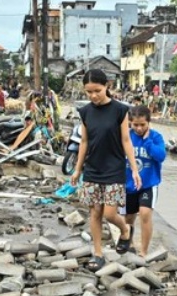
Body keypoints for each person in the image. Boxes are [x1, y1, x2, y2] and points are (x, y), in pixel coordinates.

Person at [71, 69, 141, 272]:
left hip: (114, 168)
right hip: (92, 169)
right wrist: (77, 169)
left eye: (97, 91)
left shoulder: (120, 110)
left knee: (110, 214)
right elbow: (84, 141)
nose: (93, 96)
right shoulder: (85, 112)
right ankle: (98, 253)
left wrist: (134, 170)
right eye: (88, 92)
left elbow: (126, 141)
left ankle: (125, 230)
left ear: (107, 86)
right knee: (95, 213)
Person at [120, 105, 166, 257]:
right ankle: (130, 244)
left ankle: (143, 252)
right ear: (130, 123)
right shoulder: (126, 137)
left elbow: (161, 156)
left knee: (145, 214)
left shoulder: (156, 137)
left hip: (148, 183)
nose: (139, 128)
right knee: (129, 217)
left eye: (142, 125)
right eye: (135, 125)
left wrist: (148, 143)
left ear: (149, 123)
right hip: (128, 185)